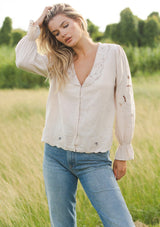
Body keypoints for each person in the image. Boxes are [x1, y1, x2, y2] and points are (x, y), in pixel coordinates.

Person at [15, 3, 135, 227]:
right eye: (56, 33)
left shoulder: (113, 53)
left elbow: (125, 103)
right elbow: (22, 59)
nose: (63, 34)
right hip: (55, 156)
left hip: (95, 159)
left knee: (121, 223)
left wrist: (123, 150)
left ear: (79, 21)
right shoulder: (57, 61)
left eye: (65, 25)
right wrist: (38, 23)